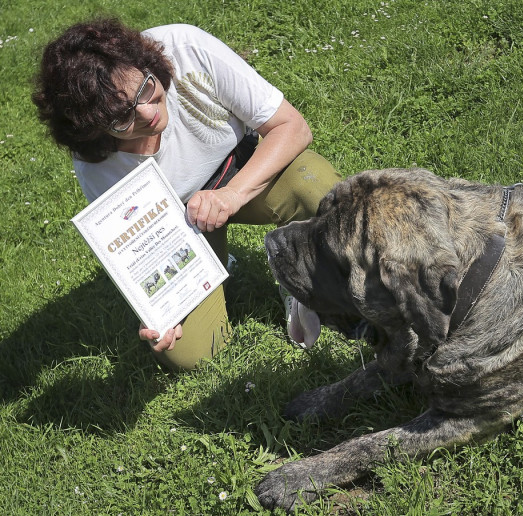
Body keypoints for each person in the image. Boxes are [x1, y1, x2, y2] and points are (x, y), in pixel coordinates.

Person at [32, 18, 342, 370]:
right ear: (93, 129)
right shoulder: (96, 162)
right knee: (189, 353)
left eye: (145, 89)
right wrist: (161, 308)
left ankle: (293, 273)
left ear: (145, 65)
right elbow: (137, 245)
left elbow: (292, 127)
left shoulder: (186, 48)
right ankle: (215, 264)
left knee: (313, 185)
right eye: (121, 118)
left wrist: (231, 195)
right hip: (181, 226)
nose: (147, 113)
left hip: (244, 172)